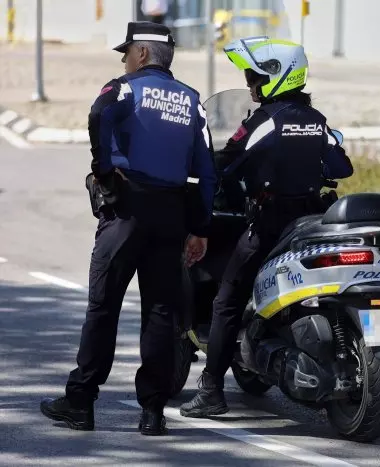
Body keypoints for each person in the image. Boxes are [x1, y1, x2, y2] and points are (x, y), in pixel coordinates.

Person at [39, 21, 217, 436]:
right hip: (171, 213)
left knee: (103, 308)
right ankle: (152, 412)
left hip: (128, 211)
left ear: (141, 54)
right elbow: (207, 172)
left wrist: (103, 171)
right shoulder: (192, 101)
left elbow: (99, 113)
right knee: (160, 314)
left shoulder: (125, 88)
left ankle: (81, 401)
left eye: (126, 53)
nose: (123, 60)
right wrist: (200, 227)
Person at [179, 36, 353, 418]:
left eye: (254, 74)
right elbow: (341, 168)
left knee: (226, 299)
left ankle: (211, 391)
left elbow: (225, 163)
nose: (248, 82)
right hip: (311, 224)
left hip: (270, 224)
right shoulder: (317, 121)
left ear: (276, 75)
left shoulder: (265, 122)